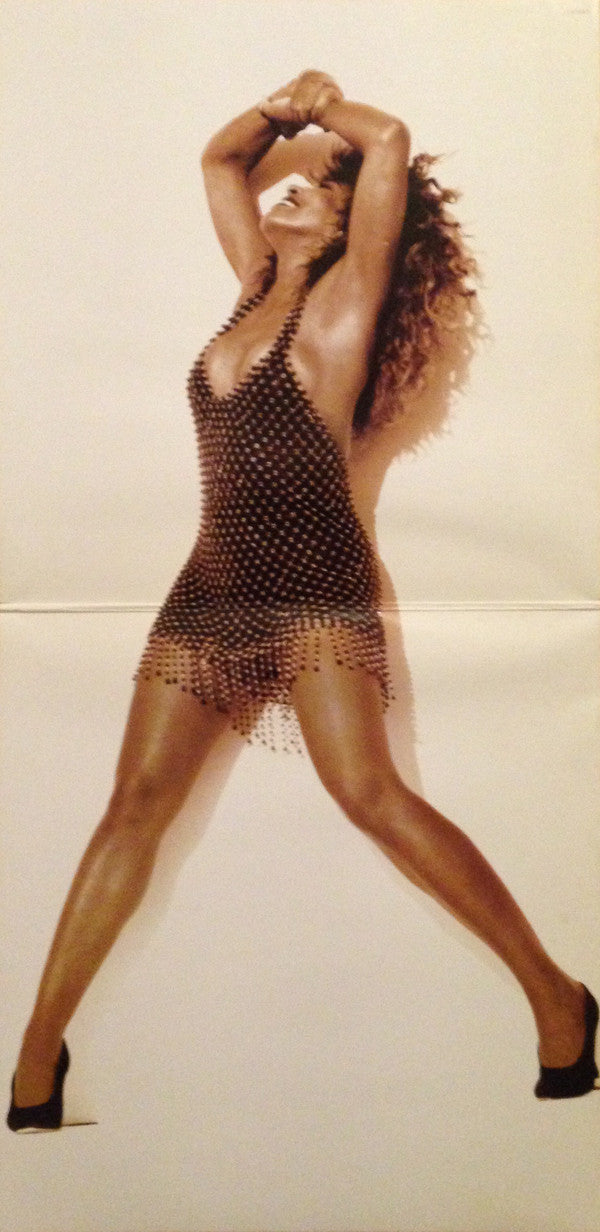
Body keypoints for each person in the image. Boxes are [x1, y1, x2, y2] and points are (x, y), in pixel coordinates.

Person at [7, 70, 597, 1131]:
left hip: (318, 580)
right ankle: (34, 1059)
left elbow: (389, 138)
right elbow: (218, 158)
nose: (290, 189)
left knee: (369, 794)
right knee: (132, 805)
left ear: (348, 228)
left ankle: (559, 999)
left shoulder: (347, 300)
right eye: (292, 183)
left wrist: (324, 106)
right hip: (210, 583)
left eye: (320, 189)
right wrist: (278, 112)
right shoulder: (250, 285)